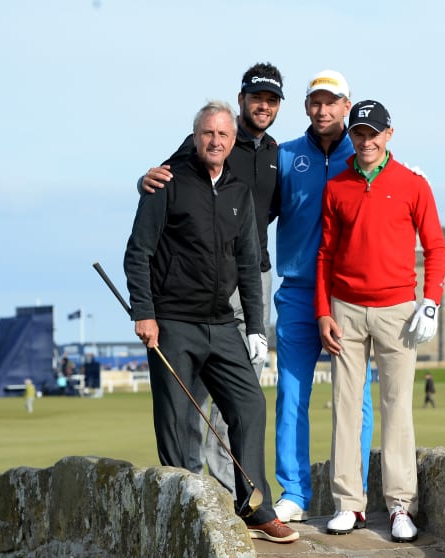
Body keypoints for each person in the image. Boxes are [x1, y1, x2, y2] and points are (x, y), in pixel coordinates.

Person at [123, 100, 297, 543]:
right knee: (178, 419)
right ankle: (186, 510)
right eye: (207, 134)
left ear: (232, 140)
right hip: (172, 321)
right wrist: (144, 312)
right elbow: (138, 254)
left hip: (222, 324)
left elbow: (249, 267)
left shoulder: (239, 193)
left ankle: (255, 507)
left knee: (250, 405)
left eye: (222, 135)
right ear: (195, 138)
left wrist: (256, 327)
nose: (215, 141)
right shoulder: (167, 183)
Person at [316, 99, 445, 542]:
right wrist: (322, 312)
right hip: (346, 310)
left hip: (398, 312)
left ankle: (398, 507)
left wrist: (430, 301)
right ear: (351, 136)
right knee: (346, 409)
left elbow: (435, 248)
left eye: (373, 133)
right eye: (359, 133)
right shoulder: (336, 187)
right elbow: (325, 255)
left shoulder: (413, 184)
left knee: (397, 408)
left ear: (389, 134)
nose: (366, 141)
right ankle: (349, 505)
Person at [270, 70, 376, 523]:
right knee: (291, 392)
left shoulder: (366, 153)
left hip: (349, 294)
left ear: (346, 106)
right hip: (297, 291)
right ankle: (294, 490)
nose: (322, 110)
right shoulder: (286, 156)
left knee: (356, 397)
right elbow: (248, 209)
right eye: (315, 102)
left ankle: (353, 494)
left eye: (331, 102)